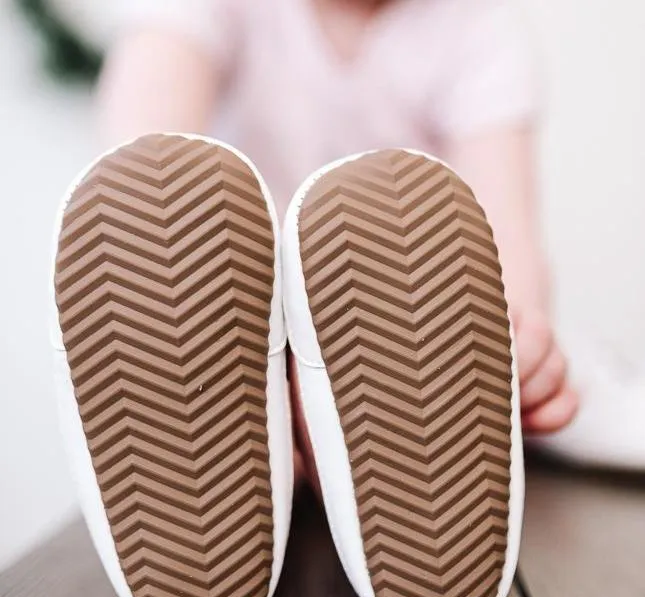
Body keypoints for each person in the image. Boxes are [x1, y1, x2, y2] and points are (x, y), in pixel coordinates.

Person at [96, 0, 579, 486]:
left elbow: (505, 244)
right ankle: (270, 424)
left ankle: (333, 444)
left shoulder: (476, 28)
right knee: (155, 201)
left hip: (401, 335)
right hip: (242, 318)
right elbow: (148, 161)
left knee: (503, 339)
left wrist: (516, 344)